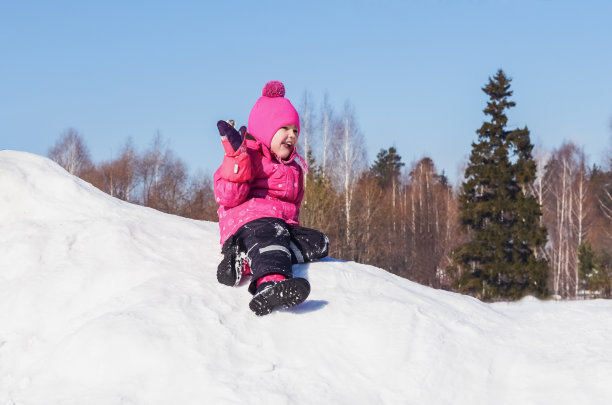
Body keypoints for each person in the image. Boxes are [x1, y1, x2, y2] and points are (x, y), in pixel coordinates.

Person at [213, 80, 329, 316]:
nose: (292, 135)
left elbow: (292, 209)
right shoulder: (249, 156)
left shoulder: (293, 167)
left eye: (295, 130)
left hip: (279, 227)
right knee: (272, 237)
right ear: (266, 130)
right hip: (247, 224)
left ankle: (244, 259)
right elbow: (227, 196)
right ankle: (270, 285)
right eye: (284, 128)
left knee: (319, 243)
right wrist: (236, 160)